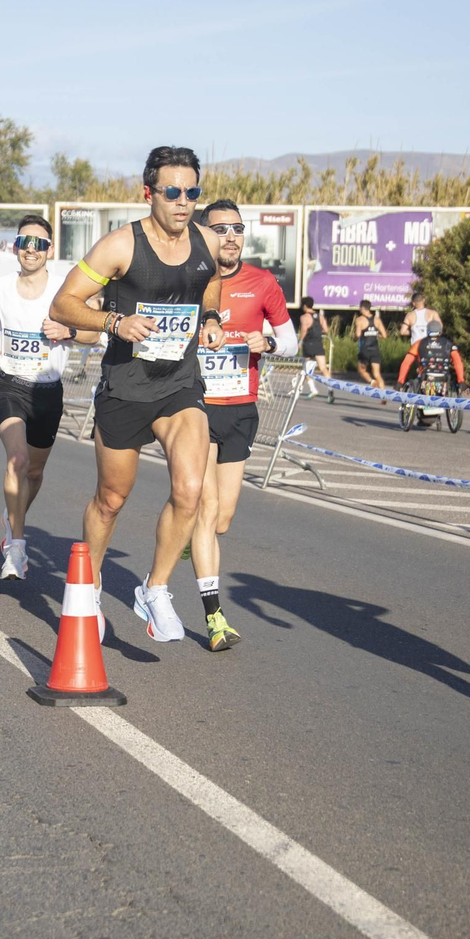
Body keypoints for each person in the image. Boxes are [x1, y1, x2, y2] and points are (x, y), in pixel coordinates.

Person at [49, 145, 226, 643]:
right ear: (150, 193)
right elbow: (64, 304)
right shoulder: (120, 246)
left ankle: (156, 588)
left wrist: (209, 317)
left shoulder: (207, 242)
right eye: (173, 191)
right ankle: (88, 583)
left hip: (180, 384)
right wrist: (114, 322)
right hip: (126, 388)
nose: (183, 201)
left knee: (190, 491)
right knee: (111, 499)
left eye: (192, 192)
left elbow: (209, 282)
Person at [188, 199, 297, 650]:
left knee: (222, 519)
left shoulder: (262, 281)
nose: (230, 236)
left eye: (237, 228)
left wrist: (266, 340)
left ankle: (188, 536)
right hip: (193, 405)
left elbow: (290, 343)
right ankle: (214, 617)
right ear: (205, 234)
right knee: (207, 506)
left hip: (240, 407)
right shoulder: (190, 279)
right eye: (221, 229)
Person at [0, 215, 97, 579]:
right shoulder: (0, 286)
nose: (31, 249)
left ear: (49, 250)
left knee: (34, 471)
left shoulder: (64, 292)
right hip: (10, 385)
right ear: (15, 246)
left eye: (39, 243)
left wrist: (69, 330)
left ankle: (13, 515)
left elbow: (95, 334)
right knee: (16, 461)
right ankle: (16, 547)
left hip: (48, 392)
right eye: (25, 242)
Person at [352, 299, 387, 400]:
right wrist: (376, 334)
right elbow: (384, 335)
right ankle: (384, 397)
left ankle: (371, 382)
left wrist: (354, 339)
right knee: (377, 373)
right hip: (375, 349)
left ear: (362, 308)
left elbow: (358, 334)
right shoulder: (377, 320)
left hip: (365, 350)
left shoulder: (359, 320)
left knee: (361, 369)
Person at [297, 295, 328, 399]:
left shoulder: (304, 317)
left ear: (305, 306)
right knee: (323, 368)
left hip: (308, 344)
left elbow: (304, 330)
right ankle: (330, 390)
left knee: (307, 368)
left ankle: (313, 389)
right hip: (318, 343)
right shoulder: (320, 316)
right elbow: (326, 330)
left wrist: (300, 341)